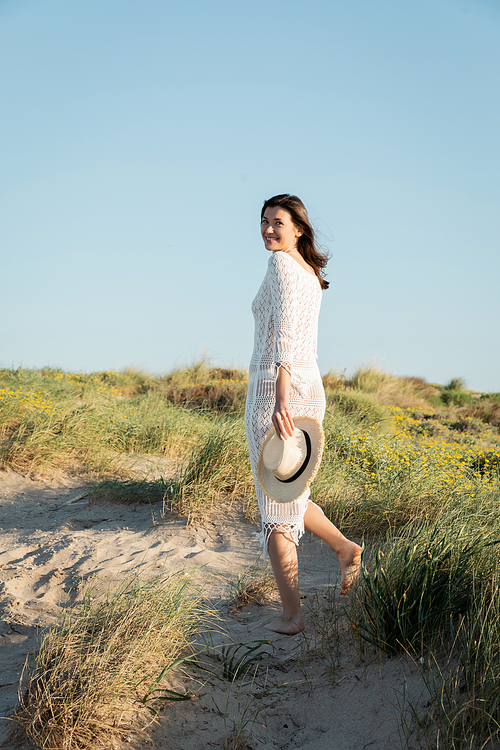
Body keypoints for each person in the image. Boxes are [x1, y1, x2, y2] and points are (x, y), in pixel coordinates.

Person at [244, 194, 362, 635]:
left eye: (278, 222)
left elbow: (284, 343)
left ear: (298, 228)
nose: (268, 229)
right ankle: (344, 547)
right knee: (287, 491)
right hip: (307, 389)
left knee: (275, 507)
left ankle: (292, 616)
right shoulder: (309, 273)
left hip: (278, 394)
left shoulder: (281, 267)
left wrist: (279, 399)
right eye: (263, 221)